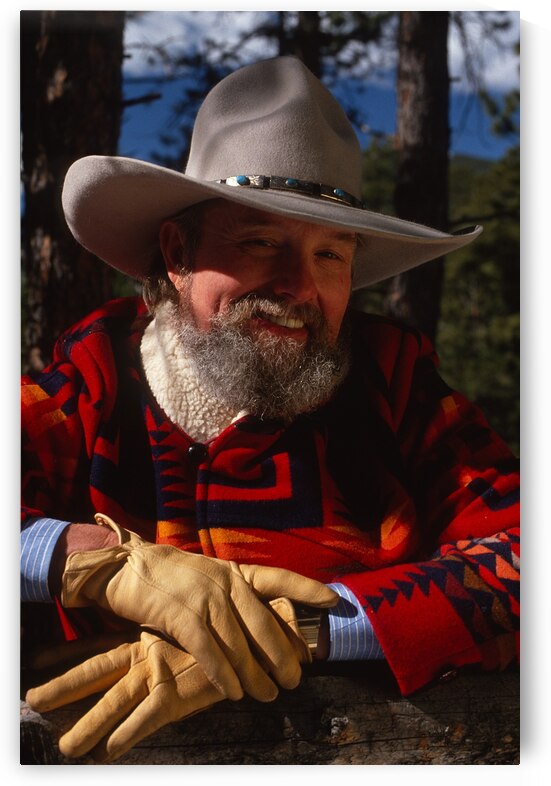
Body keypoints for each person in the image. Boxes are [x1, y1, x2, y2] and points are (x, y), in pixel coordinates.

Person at [21, 56, 519, 763]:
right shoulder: (95, 377)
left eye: (330, 256)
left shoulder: (394, 379)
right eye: (259, 242)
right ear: (175, 251)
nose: (299, 287)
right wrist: (94, 561)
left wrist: (304, 631)